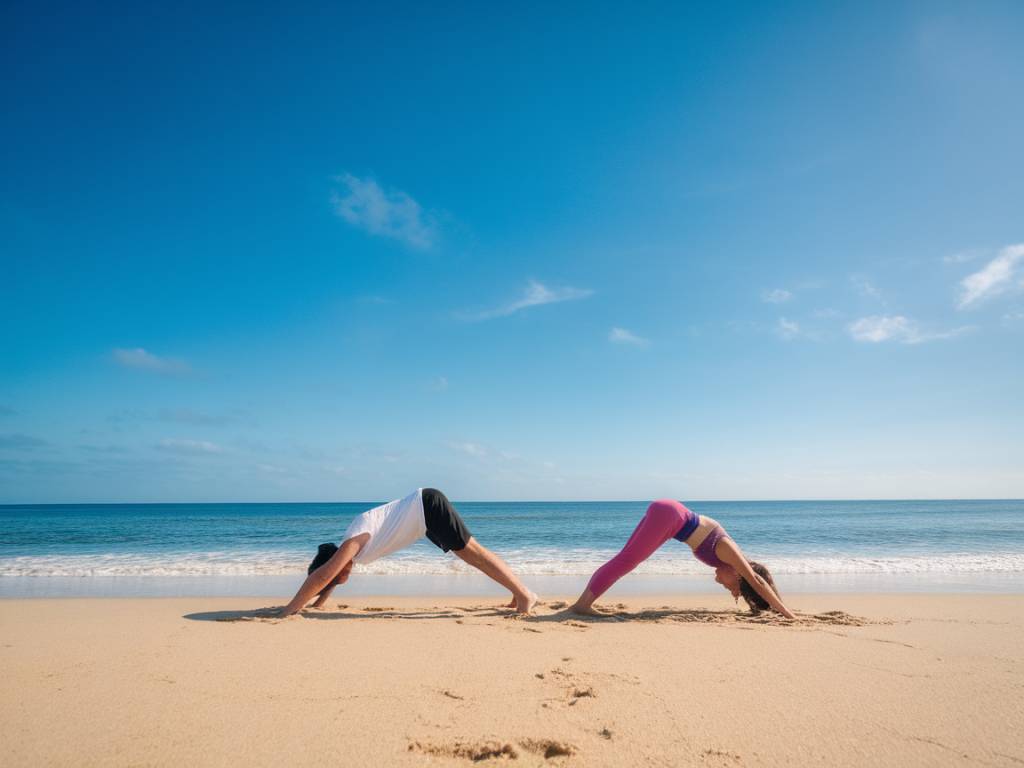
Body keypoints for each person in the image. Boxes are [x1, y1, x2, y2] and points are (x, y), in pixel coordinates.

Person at [278, 488, 537, 616]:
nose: (340, 579)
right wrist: (318, 603)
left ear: (333, 563)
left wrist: (289, 610)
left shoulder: (352, 543)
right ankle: (518, 594)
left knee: (475, 554)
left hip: (427, 508)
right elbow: (329, 579)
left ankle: (525, 596)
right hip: (424, 520)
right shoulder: (348, 554)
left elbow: (323, 577)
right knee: (472, 555)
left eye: (336, 575)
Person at [570, 499, 795, 618]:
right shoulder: (730, 552)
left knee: (625, 559)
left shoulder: (728, 559)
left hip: (670, 517)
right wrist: (787, 613)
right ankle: (583, 605)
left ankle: (582, 603)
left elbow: (753, 582)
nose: (722, 585)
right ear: (739, 576)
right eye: (731, 588)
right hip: (671, 517)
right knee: (627, 561)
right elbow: (757, 581)